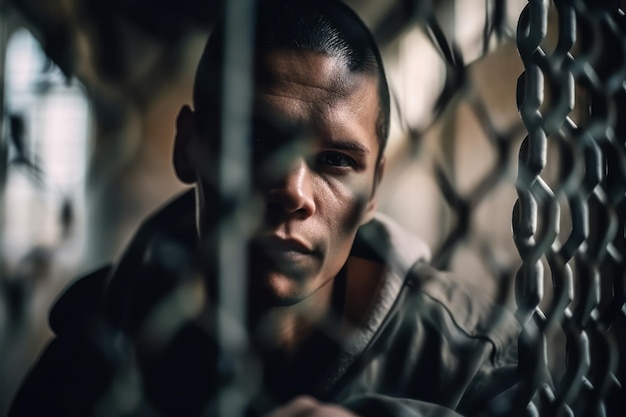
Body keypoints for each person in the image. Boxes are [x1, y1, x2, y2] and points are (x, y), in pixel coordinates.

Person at [8, 1, 540, 416]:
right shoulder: (91, 353)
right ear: (189, 147)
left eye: (335, 160)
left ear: (374, 189)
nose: (293, 191)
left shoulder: (471, 361)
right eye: (254, 144)